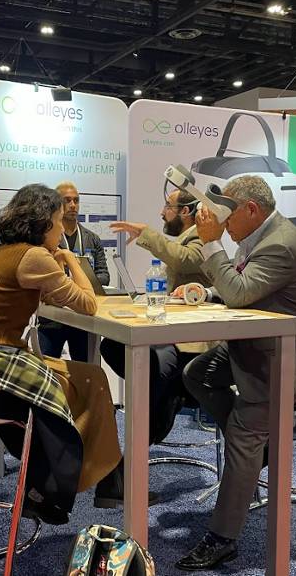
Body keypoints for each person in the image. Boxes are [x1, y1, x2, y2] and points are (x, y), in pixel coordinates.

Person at [175, 176, 296, 571]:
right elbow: (245, 285)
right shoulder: (258, 234)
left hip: (290, 355)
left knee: (244, 433)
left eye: (228, 212)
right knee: (197, 374)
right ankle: (257, 447)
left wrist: (211, 244)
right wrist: (208, 291)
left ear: (251, 209)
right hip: (257, 343)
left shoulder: (282, 243)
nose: (222, 219)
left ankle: (222, 538)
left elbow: (241, 292)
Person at [0, 184, 121, 520]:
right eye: (58, 221)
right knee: (92, 380)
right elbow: (89, 303)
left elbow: (49, 296)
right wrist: (70, 258)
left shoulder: (5, 251)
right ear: (45, 222)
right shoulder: (33, 256)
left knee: (91, 377)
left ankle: (102, 477)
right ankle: (81, 479)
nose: (61, 230)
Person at [104, 188, 210, 444]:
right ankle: (163, 396)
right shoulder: (183, 238)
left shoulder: (200, 237)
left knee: (153, 366)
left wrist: (146, 233)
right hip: (172, 330)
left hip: (192, 341)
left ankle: (156, 414)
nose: (162, 213)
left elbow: (186, 259)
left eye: (168, 207)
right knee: (112, 346)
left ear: (185, 211)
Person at [36, 181, 109, 362]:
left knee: (86, 369)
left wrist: (72, 283)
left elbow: (104, 276)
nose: (73, 205)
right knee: (48, 368)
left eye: (76, 200)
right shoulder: (47, 239)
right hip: (53, 318)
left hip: (83, 318)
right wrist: (78, 283)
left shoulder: (92, 238)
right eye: (67, 200)